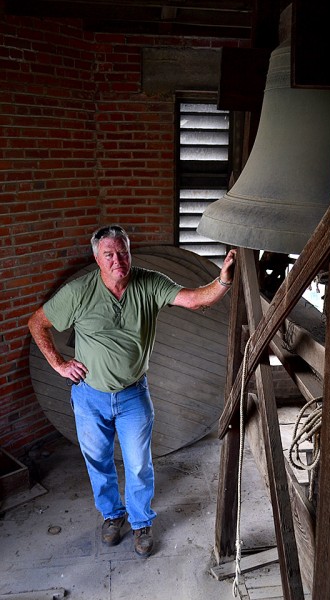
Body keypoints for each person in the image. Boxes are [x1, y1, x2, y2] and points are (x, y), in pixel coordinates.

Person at [28, 225, 236, 559]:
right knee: (98, 462)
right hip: (89, 396)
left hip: (132, 396)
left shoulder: (149, 282)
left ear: (129, 251)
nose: (117, 260)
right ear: (97, 258)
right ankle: (112, 516)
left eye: (122, 252)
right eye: (108, 254)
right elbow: (37, 322)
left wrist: (223, 279)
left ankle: (140, 522)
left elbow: (196, 300)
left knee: (138, 464)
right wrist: (59, 364)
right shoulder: (78, 292)